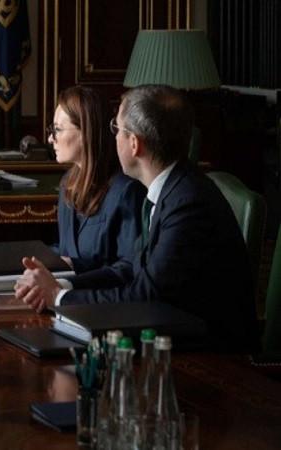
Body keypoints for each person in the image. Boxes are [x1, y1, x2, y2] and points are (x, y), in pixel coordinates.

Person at [15, 85, 259, 351]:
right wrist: (62, 284)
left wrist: (59, 297)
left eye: (116, 129)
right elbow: (132, 268)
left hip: (210, 356)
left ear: (134, 144)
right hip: (169, 334)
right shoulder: (170, 189)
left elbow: (146, 296)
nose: (112, 137)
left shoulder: (188, 203)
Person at [46, 86, 145, 275]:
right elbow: (66, 250)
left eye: (57, 129)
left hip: (100, 294)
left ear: (86, 132)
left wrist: (75, 266)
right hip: (66, 291)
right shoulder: (67, 183)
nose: (51, 139)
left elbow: (129, 268)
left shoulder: (126, 190)